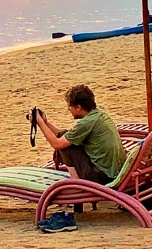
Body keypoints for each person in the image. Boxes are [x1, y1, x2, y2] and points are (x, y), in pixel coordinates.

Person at [31, 85, 127, 234]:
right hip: (113, 170)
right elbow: (65, 135)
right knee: (66, 136)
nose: (68, 109)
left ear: (78, 107)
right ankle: (77, 179)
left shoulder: (86, 123)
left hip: (101, 176)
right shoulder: (98, 115)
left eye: (70, 106)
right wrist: (46, 122)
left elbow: (57, 144)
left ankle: (77, 183)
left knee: (66, 146)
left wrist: (40, 123)